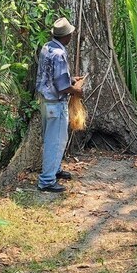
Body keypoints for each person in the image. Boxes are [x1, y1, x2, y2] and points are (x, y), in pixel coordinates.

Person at [34, 17, 84, 193]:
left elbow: (51, 76)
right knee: (54, 141)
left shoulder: (47, 47)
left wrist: (70, 80)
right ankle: (47, 180)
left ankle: (54, 171)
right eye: (70, 34)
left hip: (46, 102)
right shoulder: (60, 54)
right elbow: (62, 87)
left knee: (55, 139)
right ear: (66, 37)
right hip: (56, 103)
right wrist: (76, 90)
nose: (71, 36)